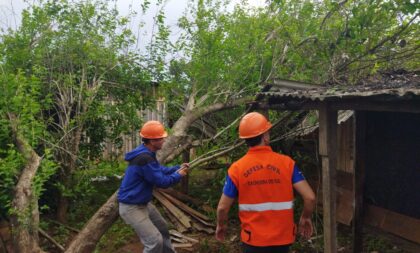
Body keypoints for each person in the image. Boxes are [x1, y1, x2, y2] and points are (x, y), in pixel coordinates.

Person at [215, 112, 316, 253]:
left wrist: (221, 226)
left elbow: (222, 208)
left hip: (253, 240)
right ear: (265, 136)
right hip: (283, 239)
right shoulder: (287, 164)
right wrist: (305, 217)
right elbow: (310, 197)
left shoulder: (237, 169)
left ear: (245, 139)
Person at [118, 120, 189, 253]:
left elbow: (158, 170)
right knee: (154, 241)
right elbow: (162, 182)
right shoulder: (144, 158)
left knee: (162, 228)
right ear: (152, 141)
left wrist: (176, 168)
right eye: (161, 138)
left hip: (142, 203)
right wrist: (179, 175)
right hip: (132, 207)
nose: (163, 140)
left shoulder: (146, 153)